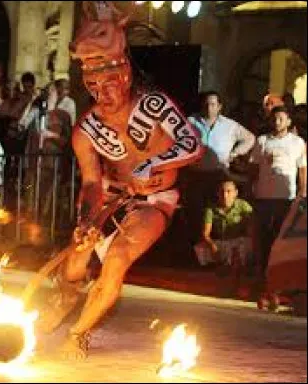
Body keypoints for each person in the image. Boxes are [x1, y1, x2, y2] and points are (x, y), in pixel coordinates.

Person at [36, 4, 203, 360]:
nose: (102, 93)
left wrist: (155, 162)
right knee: (77, 259)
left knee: (117, 258)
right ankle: (65, 297)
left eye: (109, 83)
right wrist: (86, 219)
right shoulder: (87, 129)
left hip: (154, 201)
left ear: (125, 76)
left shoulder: (154, 105)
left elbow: (191, 144)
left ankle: (79, 333)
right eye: (93, 85)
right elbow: (92, 183)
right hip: (113, 196)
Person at [184, 91, 255, 243]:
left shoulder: (230, 125)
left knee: (216, 214)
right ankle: (197, 250)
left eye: (213, 104)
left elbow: (250, 138)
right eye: (206, 104)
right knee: (195, 212)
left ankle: (217, 251)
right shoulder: (190, 122)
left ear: (220, 107)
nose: (209, 107)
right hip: (195, 175)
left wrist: (235, 154)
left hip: (219, 175)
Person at [249, 105, 307, 276]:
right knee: (264, 235)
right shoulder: (262, 141)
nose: (277, 122)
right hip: (264, 196)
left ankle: (280, 273)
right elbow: (253, 168)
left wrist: (303, 191)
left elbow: (302, 169)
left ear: (289, 121)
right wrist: (249, 190)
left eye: (281, 119)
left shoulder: (297, 142)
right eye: (274, 118)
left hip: (286, 197)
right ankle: (264, 272)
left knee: (282, 236)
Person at [194, 179, 254, 272]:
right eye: (222, 192)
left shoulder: (243, 205)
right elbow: (205, 233)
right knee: (200, 247)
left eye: (228, 191)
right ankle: (217, 265)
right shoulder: (211, 208)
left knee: (248, 243)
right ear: (218, 193)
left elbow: (252, 225)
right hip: (221, 242)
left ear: (235, 193)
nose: (225, 195)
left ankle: (241, 265)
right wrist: (212, 245)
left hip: (238, 241)